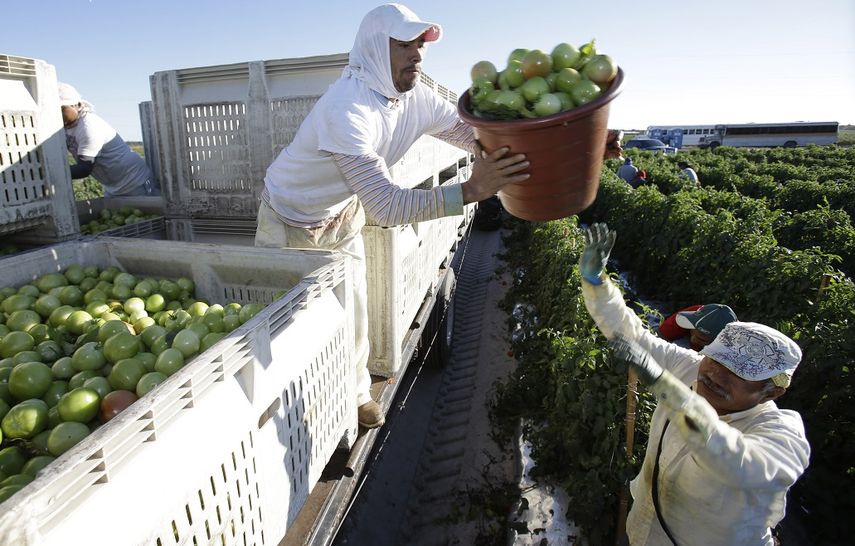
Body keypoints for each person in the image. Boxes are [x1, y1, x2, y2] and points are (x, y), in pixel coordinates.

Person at [254, 4, 622, 428]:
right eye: (404, 44)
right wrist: (471, 190)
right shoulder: (347, 109)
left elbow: (481, 141)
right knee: (285, 329)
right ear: (375, 48)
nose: (417, 54)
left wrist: (580, 146)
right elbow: (386, 206)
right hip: (289, 220)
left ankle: (356, 395)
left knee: (352, 317)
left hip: (341, 216)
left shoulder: (414, 100)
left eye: (419, 45)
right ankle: (278, 419)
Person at [578, 223, 810, 546]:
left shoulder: (781, 435)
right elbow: (633, 336)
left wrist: (665, 387)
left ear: (772, 392)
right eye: (716, 359)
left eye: (738, 373)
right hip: (645, 530)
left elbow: (735, 461)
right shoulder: (692, 367)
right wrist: (597, 284)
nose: (715, 374)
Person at [58, 83, 159, 197]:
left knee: (146, 213)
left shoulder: (88, 126)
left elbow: (84, 169)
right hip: (113, 187)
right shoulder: (63, 127)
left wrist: (51, 175)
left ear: (76, 104)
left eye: (62, 108)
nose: (57, 113)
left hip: (135, 183)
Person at [658, 303, 737, 350]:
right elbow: (660, 336)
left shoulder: (734, 344)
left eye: (701, 339)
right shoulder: (693, 315)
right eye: (692, 331)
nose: (693, 340)